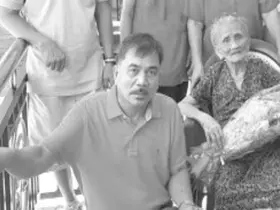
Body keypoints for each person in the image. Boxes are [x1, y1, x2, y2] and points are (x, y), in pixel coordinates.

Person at [0, 0, 115, 209]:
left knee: (92, 145)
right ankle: (69, 200)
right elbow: (6, 12)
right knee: (52, 148)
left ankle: (94, 201)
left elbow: (105, 5)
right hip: (48, 79)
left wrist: (109, 60)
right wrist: (40, 42)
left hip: (90, 71)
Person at [0, 33, 202, 210]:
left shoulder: (169, 109)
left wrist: (186, 204)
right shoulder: (87, 113)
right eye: (133, 70)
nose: (142, 81)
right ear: (116, 73)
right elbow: (41, 155)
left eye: (151, 72)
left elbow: (177, 169)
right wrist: (8, 157)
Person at [179, 14, 280, 210]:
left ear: (248, 41)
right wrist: (205, 118)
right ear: (218, 50)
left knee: (277, 184)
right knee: (228, 187)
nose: (234, 44)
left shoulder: (261, 68)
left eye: (238, 36)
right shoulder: (214, 74)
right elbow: (183, 105)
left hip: (268, 149)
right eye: (226, 40)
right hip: (230, 153)